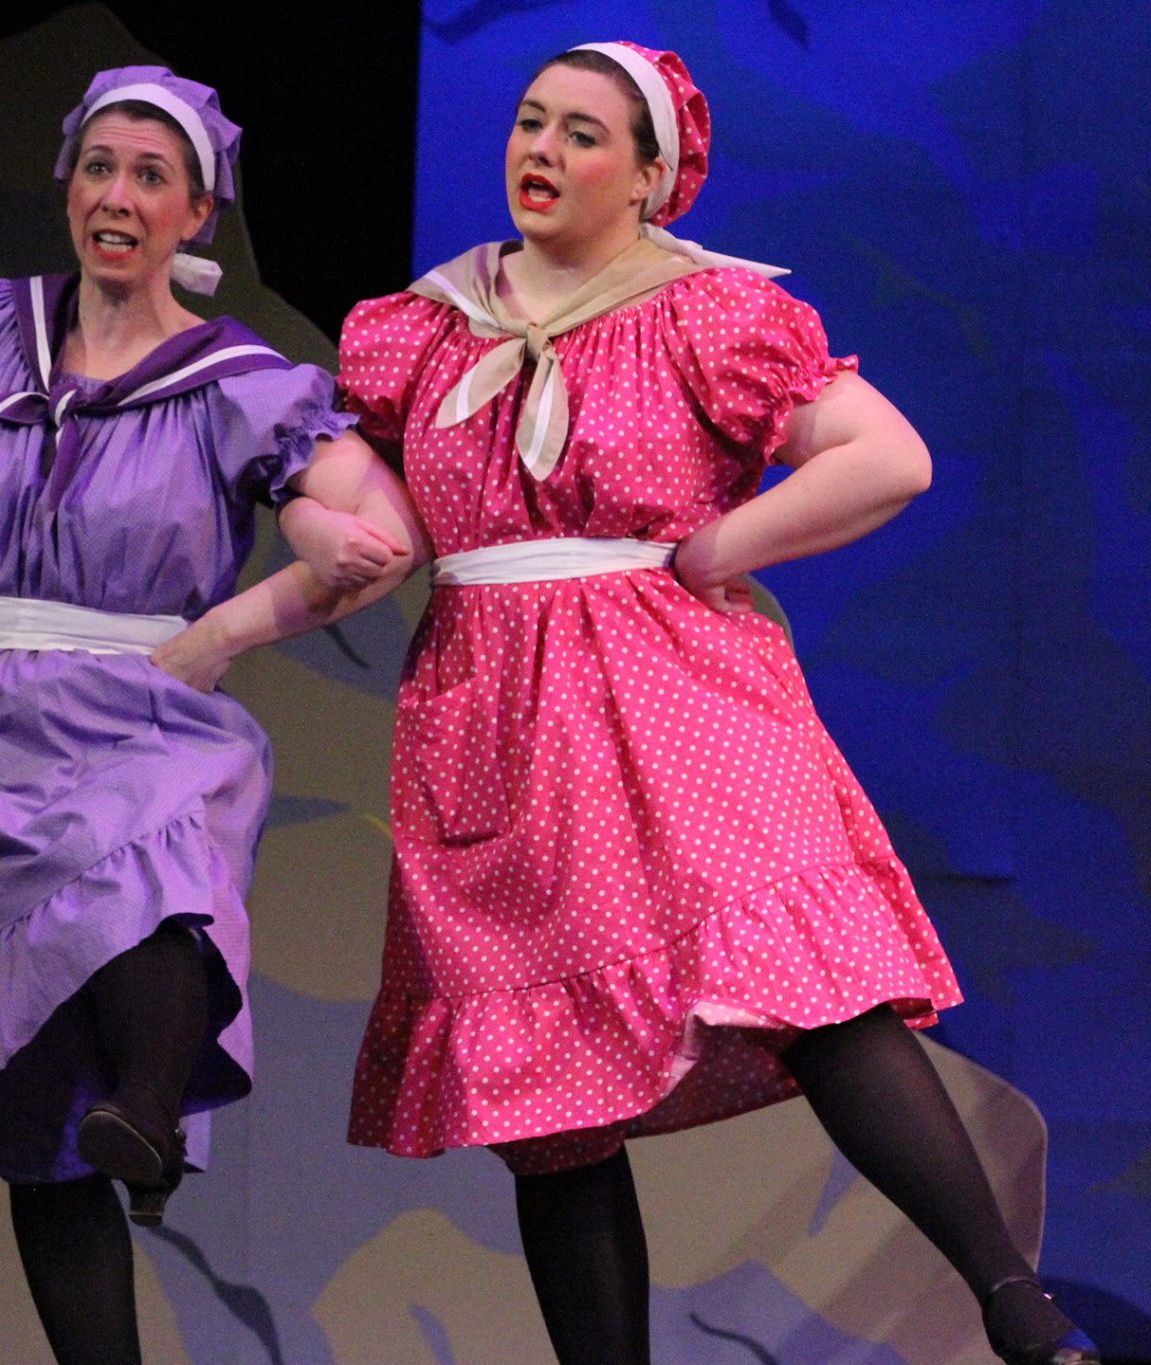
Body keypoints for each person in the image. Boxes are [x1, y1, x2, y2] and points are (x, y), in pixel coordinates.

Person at [338, 41, 1098, 1365]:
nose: (540, 150)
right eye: (529, 121)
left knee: (809, 982)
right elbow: (373, 508)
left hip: (672, 694)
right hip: (492, 720)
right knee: (544, 1088)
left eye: (582, 134)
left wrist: (710, 550)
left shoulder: (702, 312)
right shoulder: (428, 326)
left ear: (651, 176)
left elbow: (887, 456)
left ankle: (1016, 1307)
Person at [0, 65, 420, 1365]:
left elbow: (376, 529)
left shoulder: (235, 380)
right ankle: (118, 1154)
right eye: (99, 167)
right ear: (69, 184)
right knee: (37, 1129)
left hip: (140, 708)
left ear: (196, 213)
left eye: (150, 176)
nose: (117, 194)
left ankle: (152, 1107)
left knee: (157, 869)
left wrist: (234, 623)